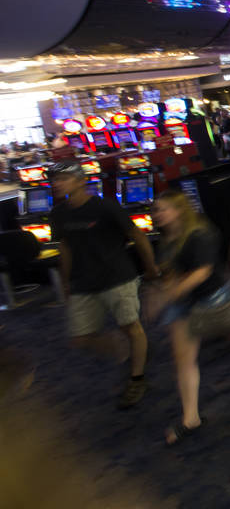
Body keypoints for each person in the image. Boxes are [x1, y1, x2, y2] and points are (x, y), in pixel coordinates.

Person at [147, 190, 230, 446]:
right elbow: (169, 271)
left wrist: (166, 296)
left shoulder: (200, 234)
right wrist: (162, 291)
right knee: (183, 359)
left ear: (179, 210)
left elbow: (202, 273)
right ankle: (190, 417)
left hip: (212, 297)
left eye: (162, 209)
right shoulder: (166, 238)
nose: (156, 215)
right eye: (155, 210)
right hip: (182, 303)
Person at [49, 160, 160, 409]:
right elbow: (64, 247)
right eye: (55, 179)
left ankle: (137, 378)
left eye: (63, 178)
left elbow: (137, 235)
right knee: (81, 337)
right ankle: (124, 348)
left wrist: (151, 268)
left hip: (117, 277)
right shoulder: (58, 213)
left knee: (132, 327)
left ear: (81, 181)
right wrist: (65, 281)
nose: (56, 183)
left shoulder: (105, 207)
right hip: (82, 282)